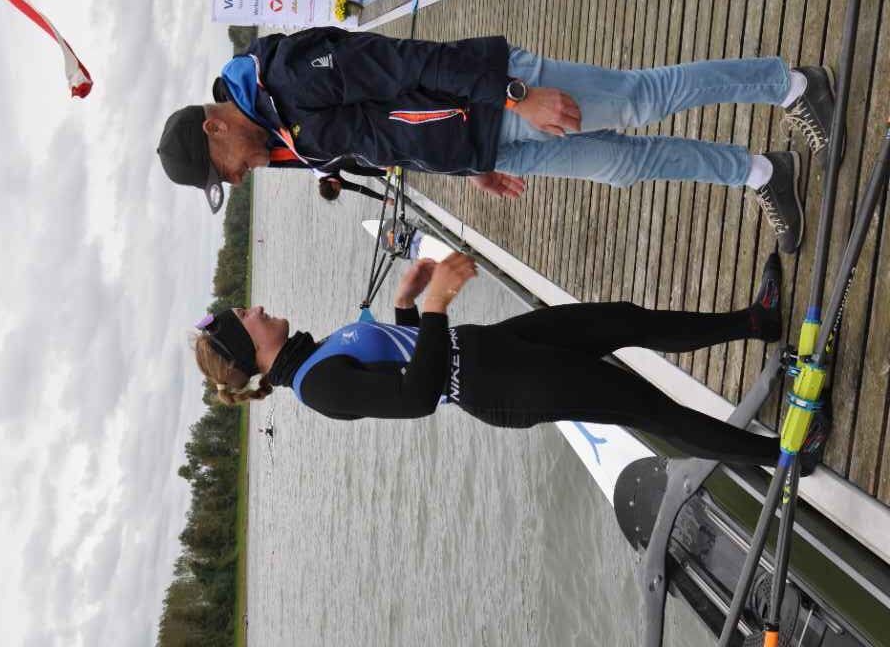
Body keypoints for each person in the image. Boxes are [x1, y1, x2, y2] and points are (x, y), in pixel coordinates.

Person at [159, 28, 836, 253]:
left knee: (639, 99)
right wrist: (467, 168)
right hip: (486, 146)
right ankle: (761, 172)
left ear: (214, 127)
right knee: (625, 165)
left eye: (223, 170)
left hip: (500, 99)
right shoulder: (278, 134)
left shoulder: (288, 75)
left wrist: (516, 94)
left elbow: (410, 62)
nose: (237, 178)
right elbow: (384, 140)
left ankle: (793, 85)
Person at [191, 253, 829, 473]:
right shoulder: (318, 388)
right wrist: (436, 308)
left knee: (621, 319)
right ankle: (786, 455)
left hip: (495, 346)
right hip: (503, 385)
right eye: (247, 315)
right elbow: (417, 398)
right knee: (647, 408)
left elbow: (405, 362)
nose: (258, 307)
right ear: (248, 348)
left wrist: (407, 306)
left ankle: (755, 323)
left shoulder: (313, 356)